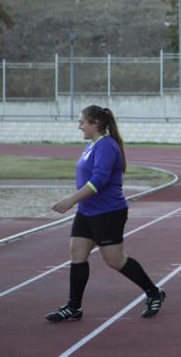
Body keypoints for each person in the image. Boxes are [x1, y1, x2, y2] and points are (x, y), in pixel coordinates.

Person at [46, 106, 165, 322]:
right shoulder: (91, 145)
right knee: (77, 254)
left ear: (95, 124)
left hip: (108, 212)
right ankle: (74, 307)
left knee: (115, 260)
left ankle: (154, 292)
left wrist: (71, 200)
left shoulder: (106, 147)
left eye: (82, 122)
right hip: (87, 211)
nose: (79, 125)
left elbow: (99, 181)